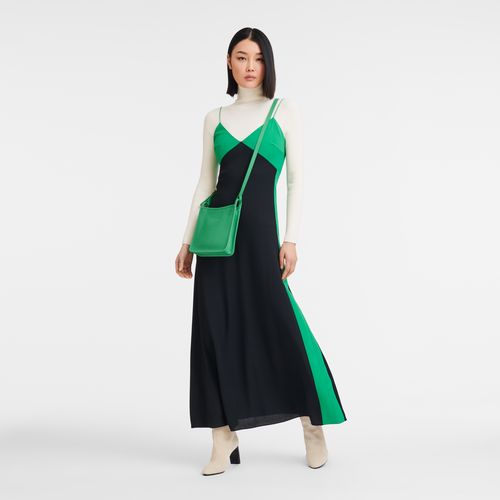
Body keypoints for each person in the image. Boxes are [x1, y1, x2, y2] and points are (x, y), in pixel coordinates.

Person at [175, 27, 347, 476]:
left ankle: (313, 424)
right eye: (241, 57)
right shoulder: (214, 117)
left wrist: (290, 238)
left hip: (261, 242)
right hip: (217, 245)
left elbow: (296, 179)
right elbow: (205, 183)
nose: (250, 66)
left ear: (268, 64)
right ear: (229, 63)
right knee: (214, 334)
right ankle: (222, 438)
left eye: (257, 58)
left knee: (282, 328)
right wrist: (186, 241)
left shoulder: (283, 110)